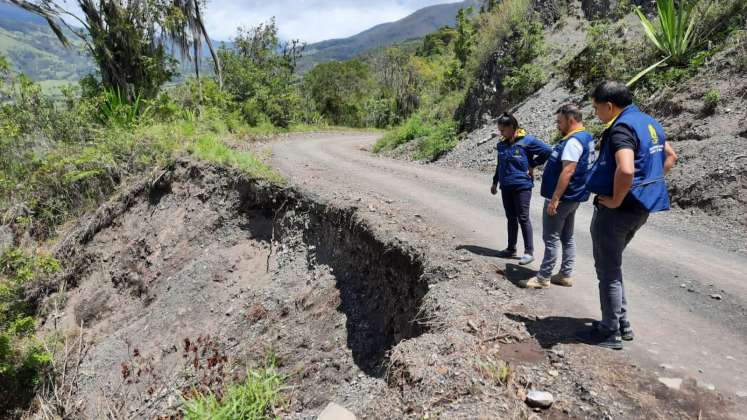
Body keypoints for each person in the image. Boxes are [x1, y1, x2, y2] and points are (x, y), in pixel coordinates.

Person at [577, 81, 677, 350]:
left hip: (617, 211)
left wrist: (615, 198)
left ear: (609, 106)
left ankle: (610, 331)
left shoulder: (621, 127)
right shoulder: (648, 122)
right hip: (641, 208)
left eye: (597, 109)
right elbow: (670, 157)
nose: (597, 114)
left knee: (607, 270)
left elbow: (626, 169)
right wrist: (647, 185)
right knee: (614, 264)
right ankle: (622, 323)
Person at [521, 104, 595, 289]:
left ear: (571, 120)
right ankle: (565, 274)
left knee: (551, 237)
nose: (557, 125)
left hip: (563, 198)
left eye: (559, 122)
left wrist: (554, 200)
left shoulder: (573, 142)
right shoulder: (585, 137)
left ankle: (543, 277)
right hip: (574, 197)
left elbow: (568, 171)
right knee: (567, 236)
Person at [490, 113, 552, 265]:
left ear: (512, 127)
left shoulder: (527, 141)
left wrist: (533, 164)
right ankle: (511, 248)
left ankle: (529, 252)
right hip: (506, 186)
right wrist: (495, 182)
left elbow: (547, 151)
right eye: (499, 130)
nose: (501, 133)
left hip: (522, 186)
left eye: (503, 130)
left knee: (523, 217)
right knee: (511, 218)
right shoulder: (502, 144)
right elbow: (500, 165)